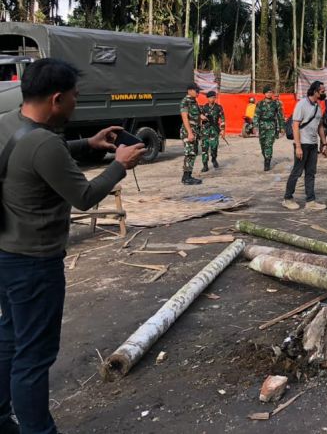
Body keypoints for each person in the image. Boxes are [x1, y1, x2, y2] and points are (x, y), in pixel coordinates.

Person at [0, 58, 145, 434]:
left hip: (6, 251)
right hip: (35, 262)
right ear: (56, 99)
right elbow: (83, 195)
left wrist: (88, 143)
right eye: (75, 98)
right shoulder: (46, 145)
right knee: (34, 356)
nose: (77, 104)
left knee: (9, 338)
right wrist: (120, 164)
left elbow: (34, 153)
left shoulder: (8, 124)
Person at [283, 81, 327, 211]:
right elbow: (295, 125)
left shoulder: (318, 106)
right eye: (322, 91)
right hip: (302, 144)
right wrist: (298, 146)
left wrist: (323, 143)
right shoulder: (301, 105)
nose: (324, 93)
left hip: (313, 145)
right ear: (315, 91)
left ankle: (310, 201)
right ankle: (288, 198)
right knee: (297, 172)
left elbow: (320, 126)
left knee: (311, 173)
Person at [253, 86, 284, 171]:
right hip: (262, 126)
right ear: (264, 93)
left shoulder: (276, 104)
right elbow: (256, 116)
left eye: (270, 92)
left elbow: (280, 116)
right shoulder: (260, 104)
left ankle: (267, 162)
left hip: (271, 126)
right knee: (262, 144)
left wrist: (282, 127)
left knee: (269, 144)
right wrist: (255, 127)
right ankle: (265, 156)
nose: (269, 94)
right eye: (267, 92)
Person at [179, 83, 203, 185]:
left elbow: (196, 115)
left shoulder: (194, 102)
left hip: (195, 131)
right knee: (189, 153)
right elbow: (185, 118)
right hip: (188, 132)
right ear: (190, 90)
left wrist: (202, 117)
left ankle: (188, 175)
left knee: (193, 153)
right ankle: (186, 177)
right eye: (196, 91)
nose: (198, 93)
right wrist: (189, 133)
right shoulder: (185, 102)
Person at [200, 91, 225, 172]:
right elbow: (198, 116)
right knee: (204, 148)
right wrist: (201, 116)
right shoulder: (204, 107)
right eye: (210, 97)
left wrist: (222, 130)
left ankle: (214, 159)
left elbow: (223, 119)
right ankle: (205, 165)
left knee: (214, 147)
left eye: (214, 97)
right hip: (205, 130)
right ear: (207, 98)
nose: (212, 99)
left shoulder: (218, 107)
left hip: (214, 130)